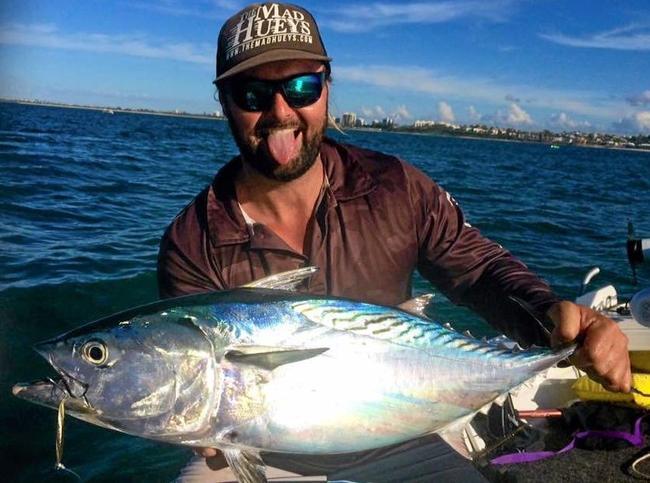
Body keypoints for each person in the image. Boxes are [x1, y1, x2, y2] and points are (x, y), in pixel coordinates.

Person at [157, 2, 630, 480]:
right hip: (262, 453)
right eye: (252, 93)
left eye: (302, 86)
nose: (281, 111)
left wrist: (550, 318)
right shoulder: (192, 240)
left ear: (327, 87)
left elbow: (479, 271)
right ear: (223, 101)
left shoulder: (394, 187)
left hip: (406, 431)